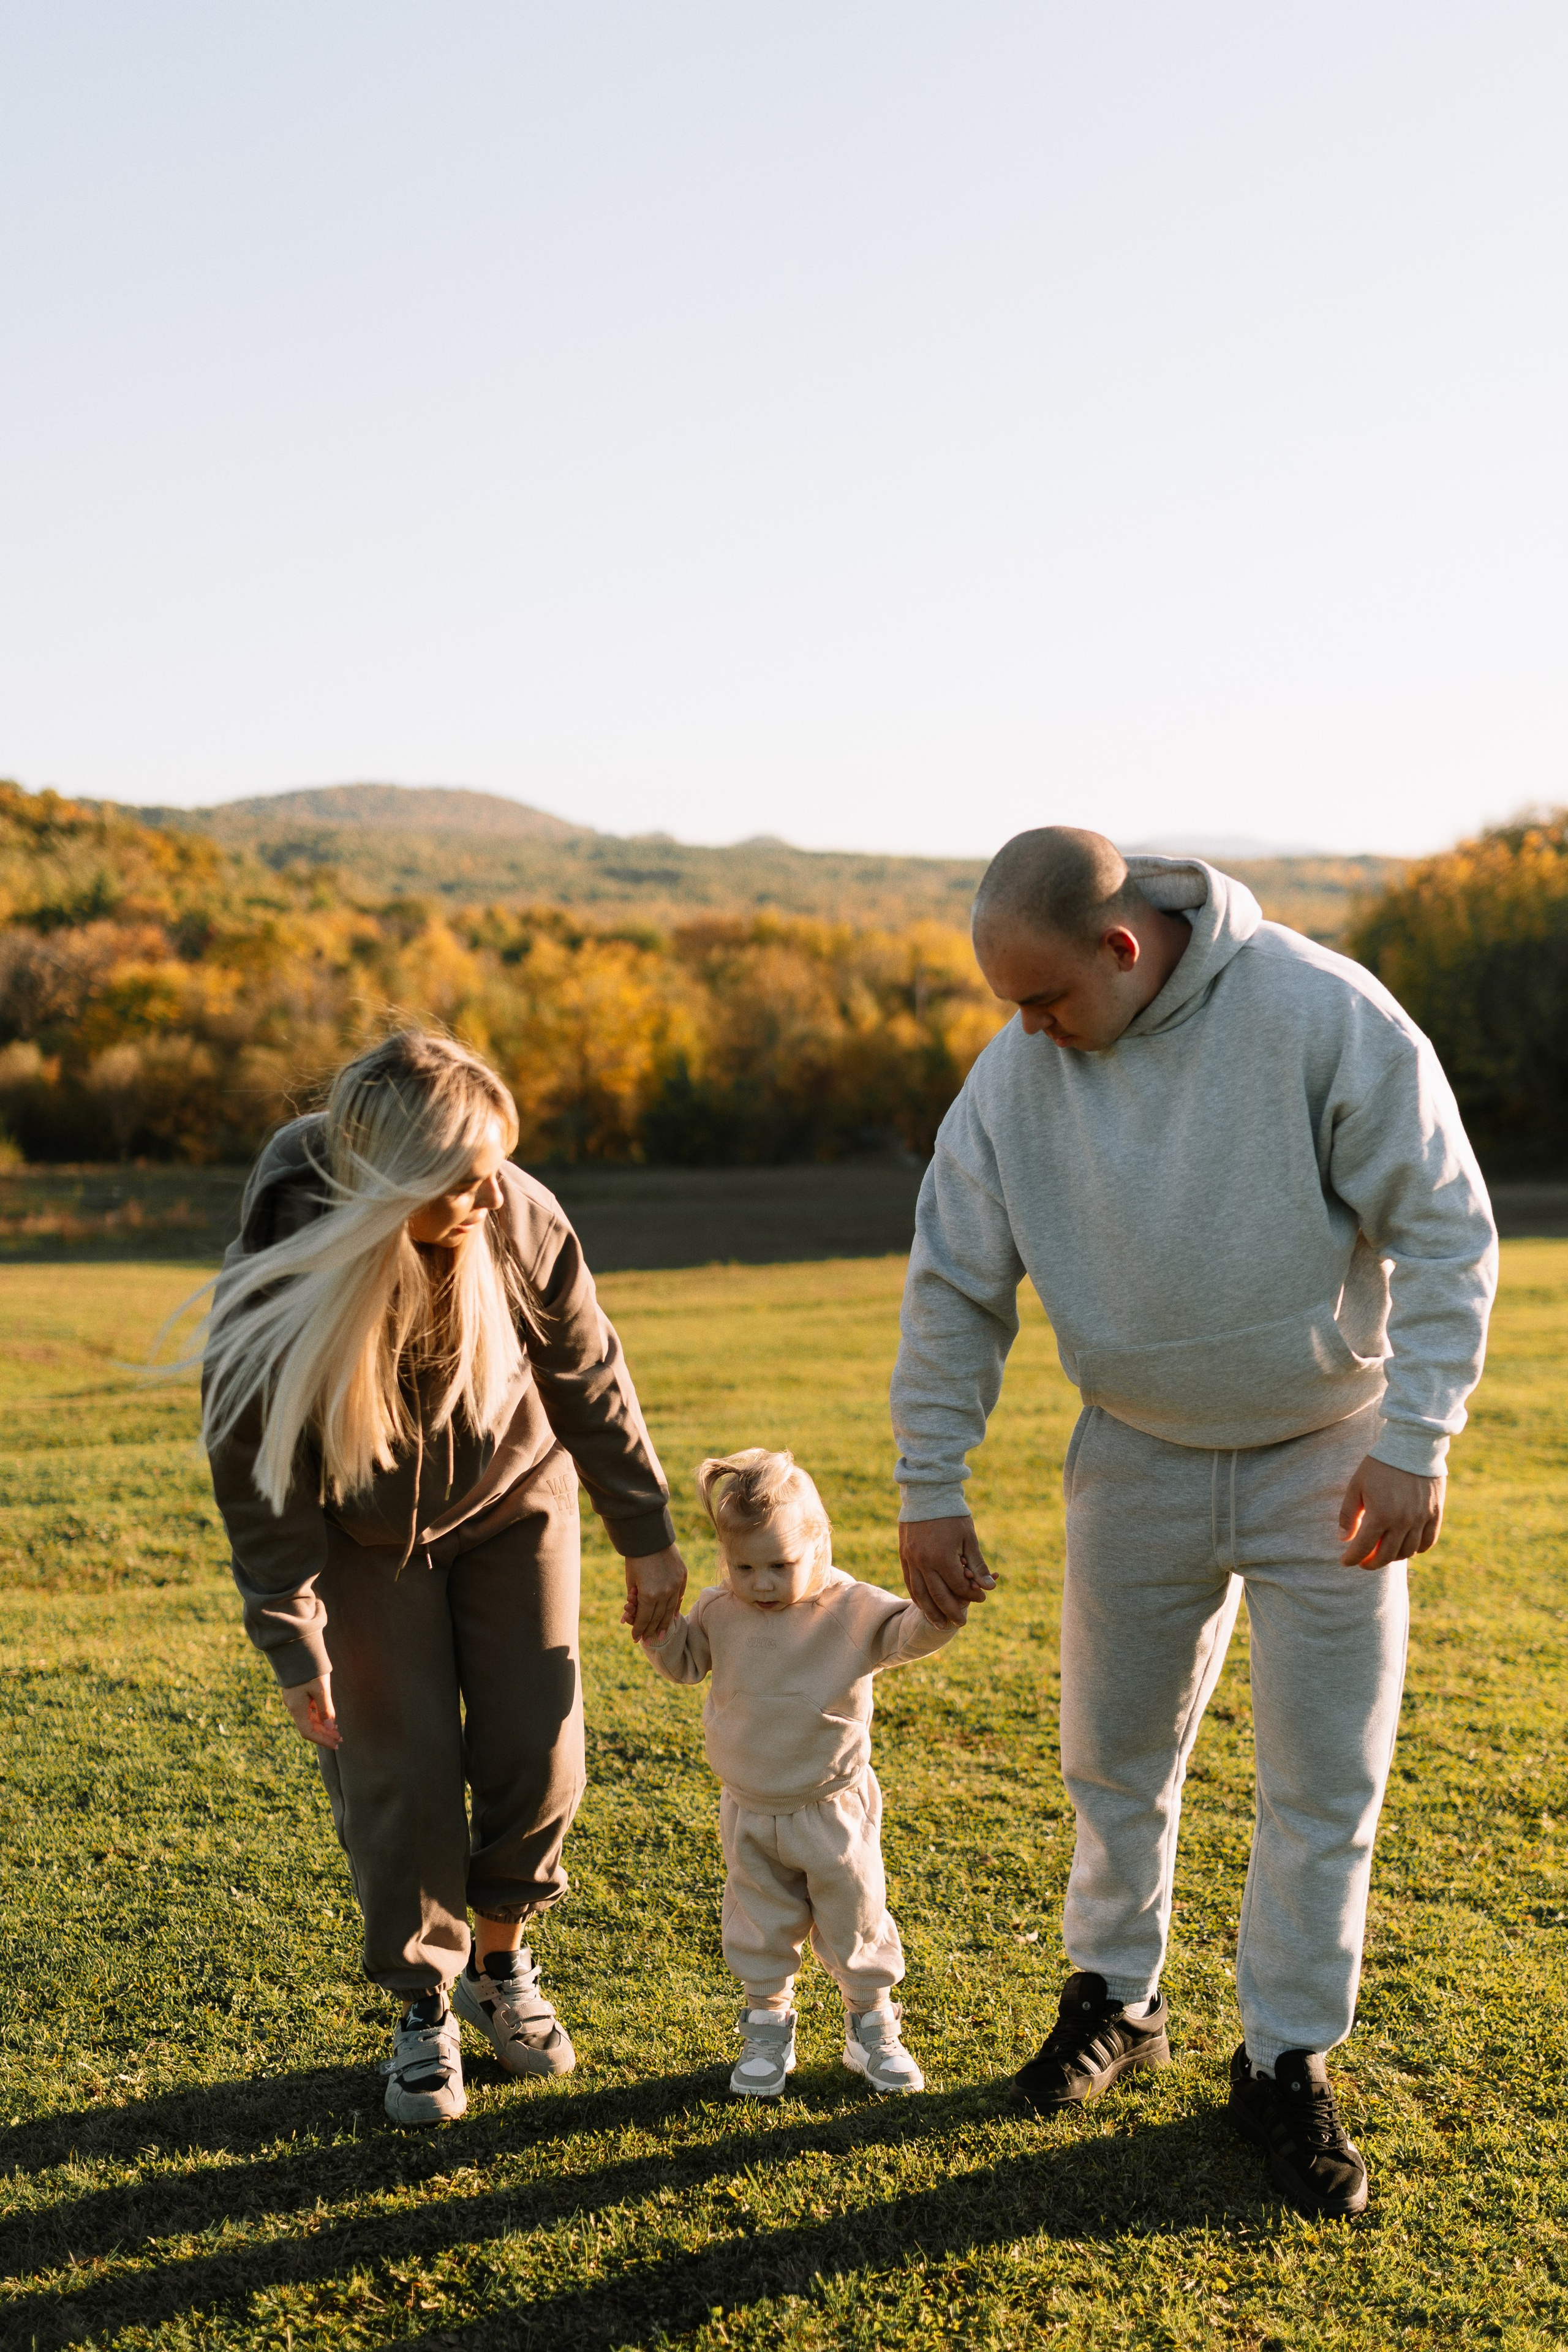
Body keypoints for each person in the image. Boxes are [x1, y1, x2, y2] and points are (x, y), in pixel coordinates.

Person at [890, 828, 1497, 2219]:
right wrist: (930, 1478)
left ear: (1122, 946)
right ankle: (1118, 1995)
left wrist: (1414, 1440)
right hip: (1135, 1453)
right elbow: (953, 1281)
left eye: (1044, 998)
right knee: (1112, 1755)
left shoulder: (1321, 1014)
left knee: (1322, 1776)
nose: (1026, 1029)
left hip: (1328, 1453)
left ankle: (1284, 2058)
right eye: (1007, 1004)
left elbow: (1444, 1229)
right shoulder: (1014, 1076)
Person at [201, 1030, 687, 2124]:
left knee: (539, 1748)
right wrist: (292, 1631)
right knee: (397, 1768)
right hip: (362, 1540)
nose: (488, 1194)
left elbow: (587, 1370)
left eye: (492, 1166)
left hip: (515, 1502)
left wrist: (645, 1529)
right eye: (460, 1179)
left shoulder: (515, 1212)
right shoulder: (290, 1250)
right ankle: (424, 2004)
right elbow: (254, 1462)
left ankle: (500, 1964)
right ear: (387, 1180)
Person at [638, 1448, 960, 2097]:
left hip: (831, 1803)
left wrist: (941, 1610)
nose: (760, 1584)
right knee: (758, 1920)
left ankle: (870, 2026)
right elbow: (686, 1663)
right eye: (744, 1567)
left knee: (856, 1914)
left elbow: (907, 1633)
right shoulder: (720, 1610)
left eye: (779, 1566)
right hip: (750, 1806)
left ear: (817, 1544)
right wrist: (657, 1629)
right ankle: (767, 2026)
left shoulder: (849, 1607)